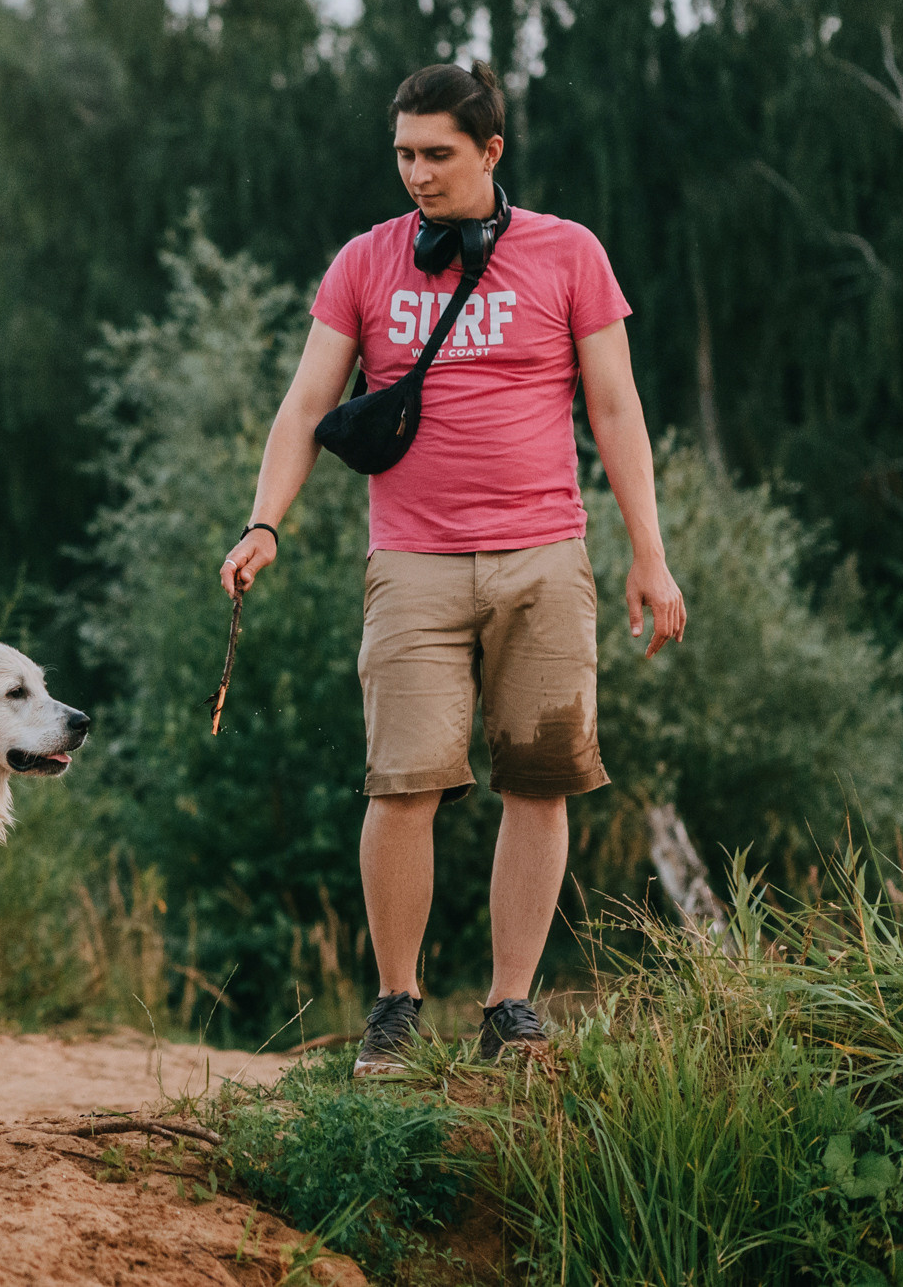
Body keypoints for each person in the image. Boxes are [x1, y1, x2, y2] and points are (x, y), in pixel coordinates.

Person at [219, 61, 687, 1077]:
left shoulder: (569, 253)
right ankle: (394, 1008)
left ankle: (509, 1007)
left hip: (545, 557)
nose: (417, 174)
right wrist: (263, 523)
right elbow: (304, 405)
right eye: (403, 154)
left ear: (491, 151)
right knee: (402, 785)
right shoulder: (364, 261)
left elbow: (616, 410)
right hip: (411, 564)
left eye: (437, 154)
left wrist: (649, 554)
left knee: (539, 784)